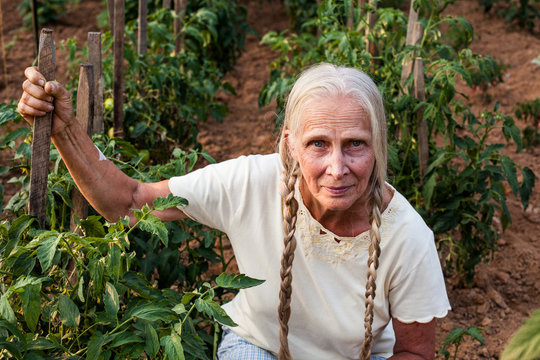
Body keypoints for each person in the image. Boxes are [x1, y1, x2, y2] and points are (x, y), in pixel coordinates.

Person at [18, 63, 451, 359]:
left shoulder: (406, 236)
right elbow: (128, 202)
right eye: (318, 143)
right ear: (289, 146)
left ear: (377, 146)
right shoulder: (252, 183)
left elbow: (414, 351)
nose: (336, 169)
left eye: (355, 144)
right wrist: (65, 131)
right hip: (259, 346)